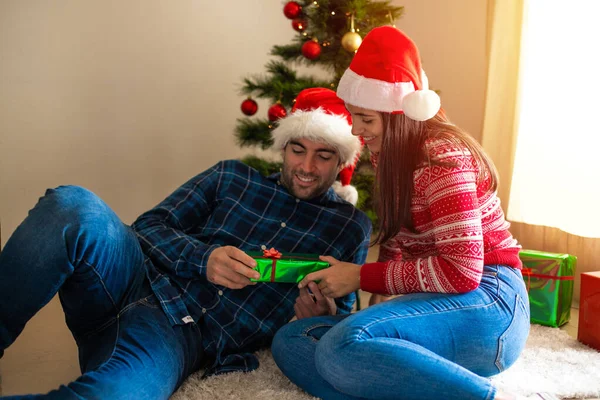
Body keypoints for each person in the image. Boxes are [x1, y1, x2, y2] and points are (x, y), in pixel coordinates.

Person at [0, 88, 372, 399]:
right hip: (131, 277)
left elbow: (343, 318)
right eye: (297, 150)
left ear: (341, 161)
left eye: (323, 156)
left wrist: (321, 316)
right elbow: (148, 225)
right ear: (282, 147)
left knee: (110, 395)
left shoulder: (351, 227)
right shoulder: (231, 176)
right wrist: (203, 258)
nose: (306, 166)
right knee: (73, 205)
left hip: (178, 334)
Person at [271, 26, 547, 400]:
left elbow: (461, 272)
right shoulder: (391, 154)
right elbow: (401, 240)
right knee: (293, 339)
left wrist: (363, 276)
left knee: (340, 348)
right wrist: (377, 304)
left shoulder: (442, 158)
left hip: (490, 304)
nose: (357, 130)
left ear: (400, 114)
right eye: (354, 117)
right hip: (436, 303)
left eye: (366, 119)